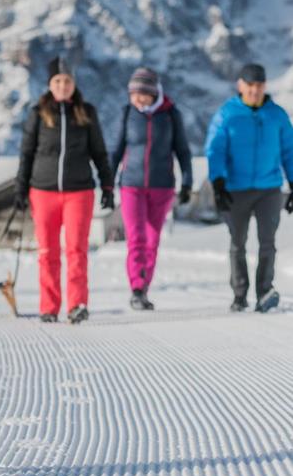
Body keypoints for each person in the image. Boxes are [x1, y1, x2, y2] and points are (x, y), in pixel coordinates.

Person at [15, 57, 114, 324]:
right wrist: (20, 187)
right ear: (50, 84)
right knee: (47, 252)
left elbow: (99, 152)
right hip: (42, 190)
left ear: (74, 83)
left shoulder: (86, 112)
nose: (63, 85)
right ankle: (49, 306)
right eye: (57, 81)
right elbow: (26, 152)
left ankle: (77, 304)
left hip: (79, 192)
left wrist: (107, 184)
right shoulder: (38, 113)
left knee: (76, 250)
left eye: (67, 80)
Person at [205, 63, 293, 313]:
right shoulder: (227, 114)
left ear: (265, 86)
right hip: (236, 188)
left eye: (259, 86)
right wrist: (218, 182)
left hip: (269, 188)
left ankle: (265, 291)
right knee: (238, 242)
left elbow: (290, 151)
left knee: (268, 241)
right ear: (240, 85)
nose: (255, 90)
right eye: (250, 85)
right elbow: (215, 149)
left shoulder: (277, 115)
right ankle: (240, 294)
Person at [112, 67, 193, 310]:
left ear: (152, 93)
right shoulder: (127, 114)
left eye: (141, 94)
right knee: (136, 237)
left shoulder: (170, 115)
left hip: (162, 186)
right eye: (133, 94)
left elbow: (183, 151)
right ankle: (136, 288)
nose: (137, 99)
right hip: (131, 185)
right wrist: (107, 181)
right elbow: (115, 150)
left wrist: (187, 182)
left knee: (152, 239)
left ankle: (144, 288)